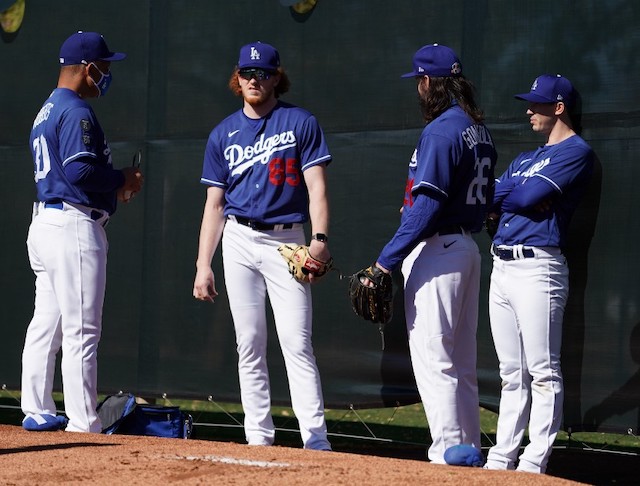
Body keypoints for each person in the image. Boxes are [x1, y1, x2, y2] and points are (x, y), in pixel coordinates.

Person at [192, 41, 332, 450]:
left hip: (287, 239)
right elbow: (214, 205)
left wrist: (319, 240)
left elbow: (317, 190)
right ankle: (258, 437)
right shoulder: (223, 133)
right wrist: (203, 264)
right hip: (237, 238)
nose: (254, 80)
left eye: (263, 73)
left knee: (296, 341)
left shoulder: (300, 122)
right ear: (237, 78)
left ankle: (316, 439)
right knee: (248, 341)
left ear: (277, 77)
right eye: (247, 73)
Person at [363, 44, 497, 463]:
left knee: (433, 355)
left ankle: (449, 452)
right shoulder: (478, 128)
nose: (418, 91)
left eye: (419, 82)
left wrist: (385, 260)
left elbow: (426, 207)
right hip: (466, 249)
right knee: (462, 361)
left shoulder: (441, 130)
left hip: (439, 249)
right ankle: (469, 447)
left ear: (428, 82)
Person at [21, 31, 143, 433]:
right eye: (104, 67)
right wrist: (122, 177)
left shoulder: (46, 110)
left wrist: (111, 188)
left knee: (47, 323)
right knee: (81, 331)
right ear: (87, 68)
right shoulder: (75, 110)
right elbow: (80, 171)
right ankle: (83, 421)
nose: (107, 73)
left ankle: (37, 408)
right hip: (71, 226)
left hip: (46, 221)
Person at [484, 74, 594, 473]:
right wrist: (514, 197)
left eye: (537, 103)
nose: (529, 110)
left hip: (538, 267)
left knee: (543, 371)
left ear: (559, 107)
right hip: (502, 264)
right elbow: (489, 201)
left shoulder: (576, 150)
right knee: (511, 372)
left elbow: (525, 195)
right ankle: (501, 457)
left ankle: (533, 463)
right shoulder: (524, 159)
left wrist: (513, 196)